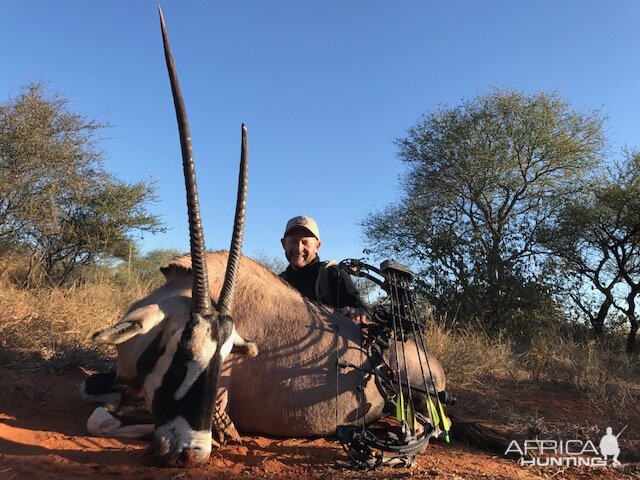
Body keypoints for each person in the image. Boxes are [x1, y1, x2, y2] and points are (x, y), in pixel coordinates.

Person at [279, 215, 370, 324]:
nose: (299, 248)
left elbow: (361, 310)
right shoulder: (278, 281)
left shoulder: (333, 274)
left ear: (317, 246)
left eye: (305, 242)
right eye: (293, 241)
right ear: (284, 244)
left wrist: (356, 312)